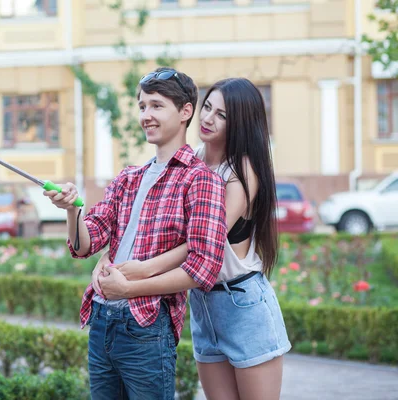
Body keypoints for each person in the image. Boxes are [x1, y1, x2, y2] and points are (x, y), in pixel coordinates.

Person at [97, 77, 291, 400]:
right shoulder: (192, 161)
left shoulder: (241, 171)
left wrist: (142, 270)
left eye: (221, 115)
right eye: (207, 108)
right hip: (203, 305)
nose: (207, 118)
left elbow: (205, 241)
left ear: (240, 122)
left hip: (242, 304)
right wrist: (111, 256)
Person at [42, 67, 227, 400]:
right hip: (101, 318)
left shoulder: (201, 180)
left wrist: (129, 288)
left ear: (185, 111)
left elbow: (204, 268)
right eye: (142, 106)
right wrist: (72, 209)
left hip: (146, 325)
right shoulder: (128, 177)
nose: (146, 115)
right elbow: (86, 244)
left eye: (157, 106)